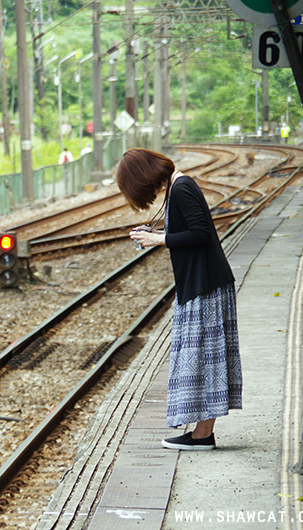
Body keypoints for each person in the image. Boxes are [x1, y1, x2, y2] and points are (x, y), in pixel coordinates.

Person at [115, 148, 242, 451]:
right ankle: (202, 433)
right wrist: (156, 232)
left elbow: (200, 233)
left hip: (205, 286)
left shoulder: (181, 188)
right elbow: (193, 231)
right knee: (205, 359)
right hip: (202, 283)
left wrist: (159, 239)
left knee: (204, 360)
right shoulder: (178, 186)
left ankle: (202, 435)